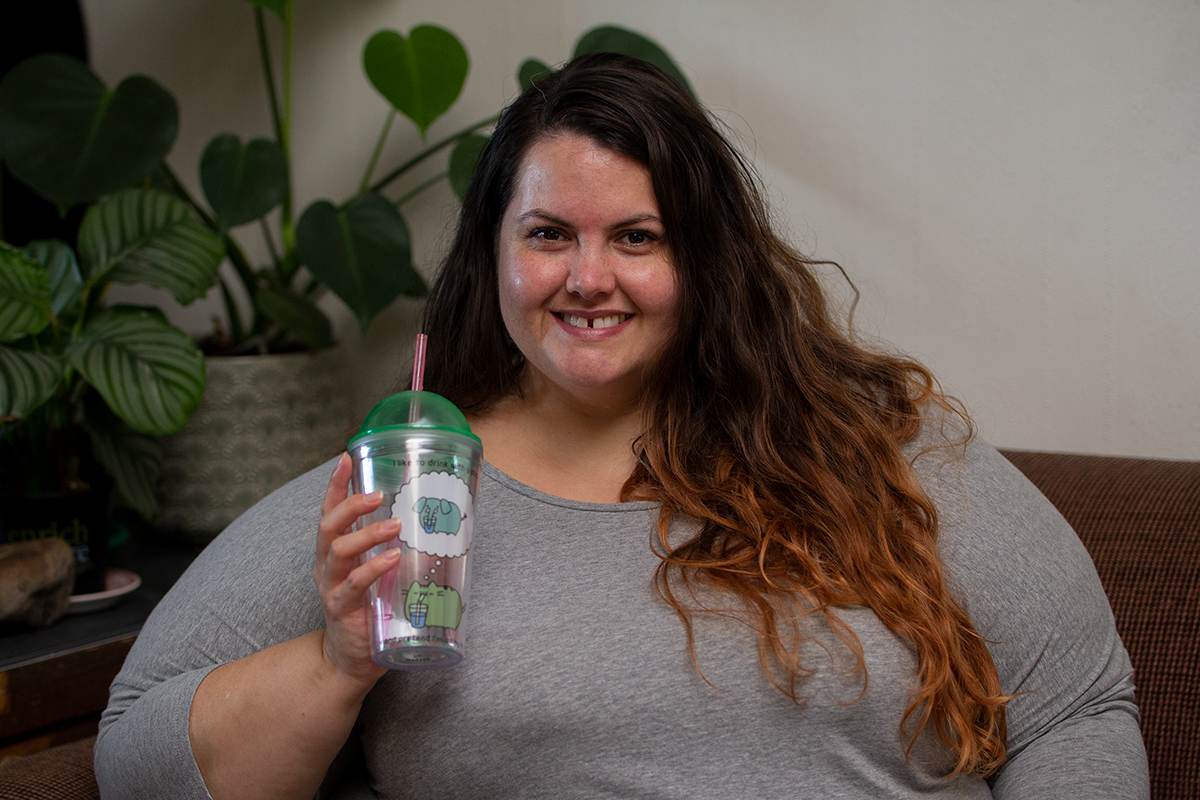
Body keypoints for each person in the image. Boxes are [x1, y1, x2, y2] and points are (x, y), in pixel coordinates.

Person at [95, 52, 1149, 799]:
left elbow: (1078, 704)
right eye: (548, 233)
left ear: (704, 260)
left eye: (637, 237)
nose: (587, 277)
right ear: (492, 256)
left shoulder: (874, 449)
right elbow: (136, 751)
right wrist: (339, 659)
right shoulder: (410, 485)